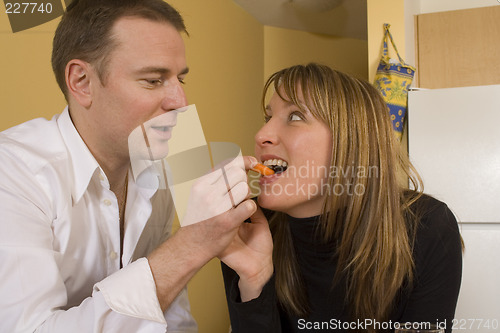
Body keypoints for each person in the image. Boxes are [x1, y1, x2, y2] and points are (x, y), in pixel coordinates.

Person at [0, 0, 257, 332]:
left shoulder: (159, 170)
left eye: (180, 79)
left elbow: (170, 317)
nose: (180, 102)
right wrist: (193, 242)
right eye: (153, 80)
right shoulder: (13, 172)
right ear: (81, 81)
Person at [219, 63, 463, 333]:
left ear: (353, 142)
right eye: (268, 118)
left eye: (296, 116)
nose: (261, 135)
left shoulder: (427, 226)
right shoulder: (247, 226)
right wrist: (253, 282)